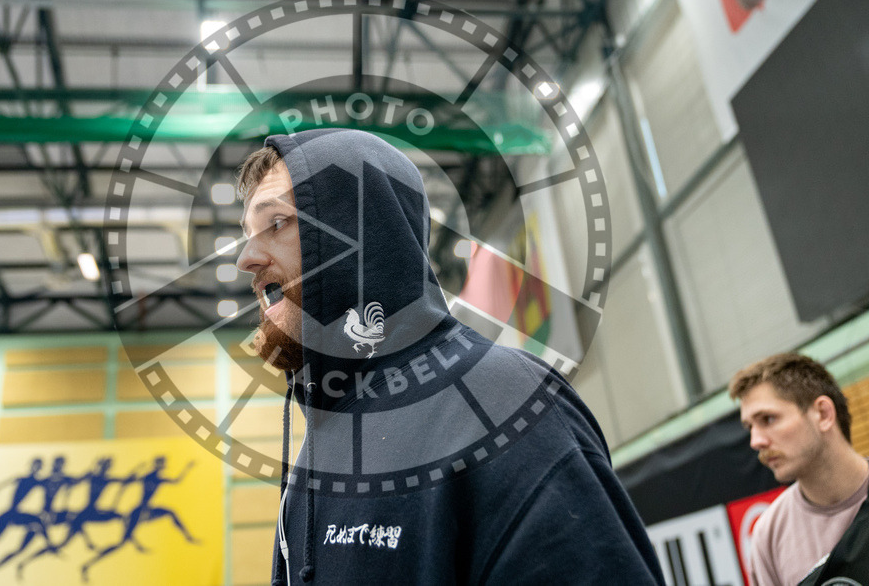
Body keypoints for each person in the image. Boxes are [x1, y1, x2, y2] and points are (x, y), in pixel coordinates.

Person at [234, 128, 663, 585]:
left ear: (355, 235)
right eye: (248, 234)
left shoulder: (505, 404)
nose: (246, 258)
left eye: (276, 224)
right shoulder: (309, 464)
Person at [730, 353, 869, 586]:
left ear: (823, 414)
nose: (755, 441)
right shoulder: (769, 534)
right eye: (750, 427)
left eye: (768, 419)